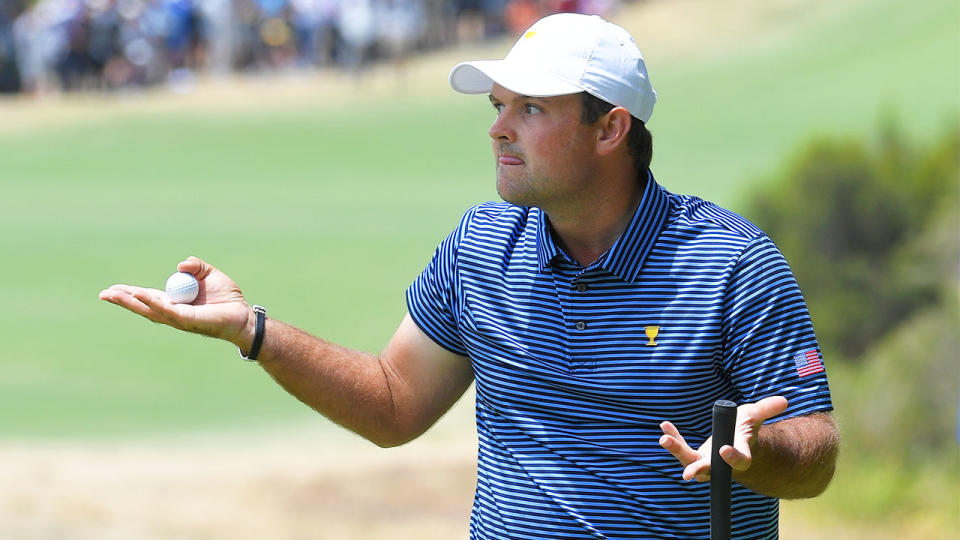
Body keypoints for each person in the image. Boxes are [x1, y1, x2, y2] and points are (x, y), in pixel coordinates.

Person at [99, 13, 839, 539]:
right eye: (496, 105)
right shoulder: (480, 248)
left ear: (611, 129)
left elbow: (817, 451)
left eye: (530, 108)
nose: (498, 128)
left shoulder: (731, 266)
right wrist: (253, 330)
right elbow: (394, 405)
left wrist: (755, 452)